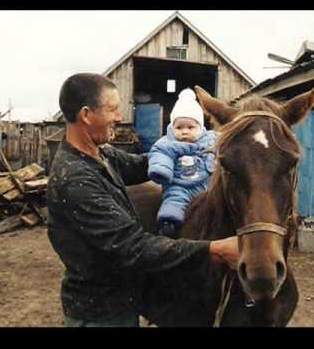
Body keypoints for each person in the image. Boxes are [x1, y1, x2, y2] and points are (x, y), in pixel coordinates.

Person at [46, 73, 238, 327]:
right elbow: (132, 247)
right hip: (99, 313)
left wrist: (189, 148)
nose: (119, 117)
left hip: (123, 300)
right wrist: (214, 249)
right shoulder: (74, 179)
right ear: (86, 115)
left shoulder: (100, 155)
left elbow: (143, 164)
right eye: (113, 109)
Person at [148, 88, 217, 238]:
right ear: (172, 127)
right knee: (174, 200)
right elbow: (160, 155)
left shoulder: (211, 140)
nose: (184, 131)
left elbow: (227, 146)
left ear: (201, 127)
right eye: (179, 127)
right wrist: (160, 170)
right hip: (180, 185)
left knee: (220, 197)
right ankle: (169, 224)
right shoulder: (167, 143)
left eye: (191, 127)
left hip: (207, 183)